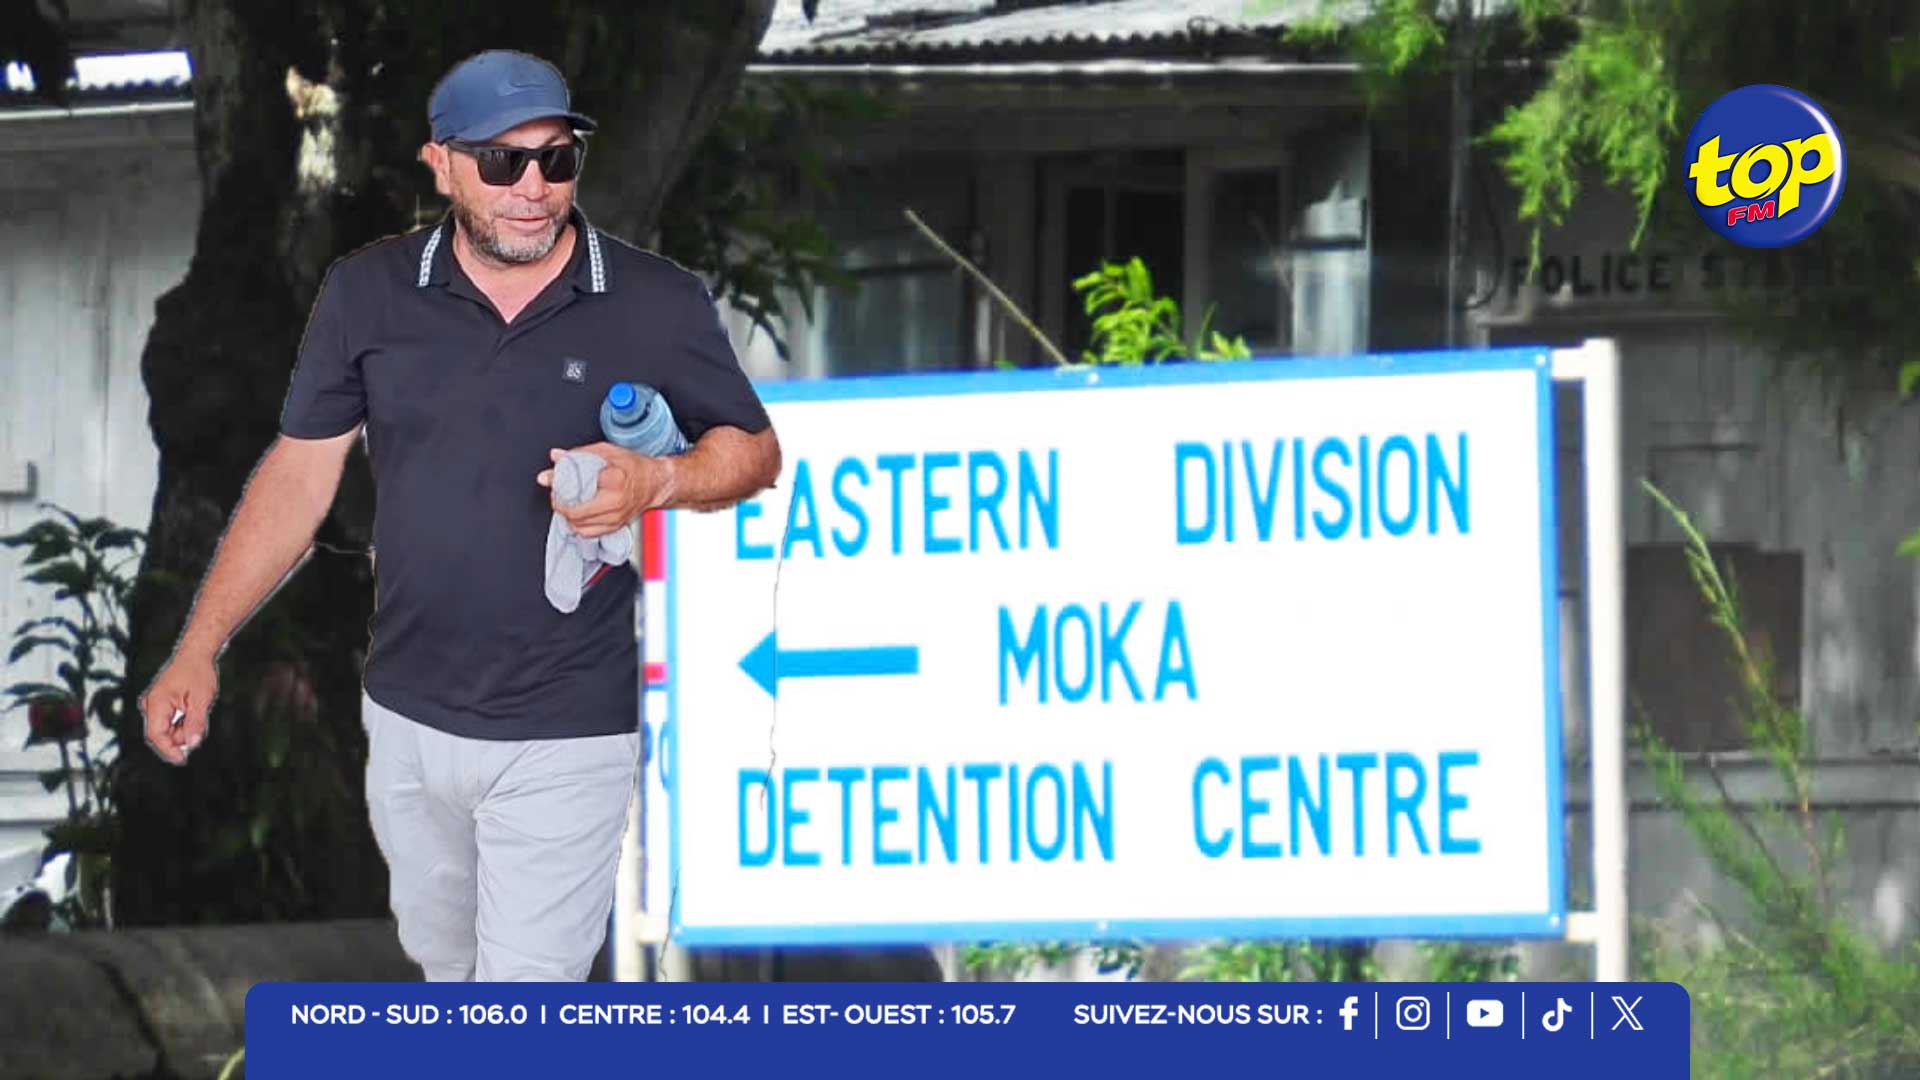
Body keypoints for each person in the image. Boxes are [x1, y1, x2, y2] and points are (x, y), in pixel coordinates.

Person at [137, 50, 780, 981]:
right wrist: (201, 645)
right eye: (502, 161)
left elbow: (752, 451)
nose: (533, 187)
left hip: (570, 723)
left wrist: (657, 479)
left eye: (556, 159)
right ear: (440, 164)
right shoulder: (367, 293)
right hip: (410, 716)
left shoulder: (654, 299)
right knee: (449, 986)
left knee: (520, 1007)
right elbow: (300, 476)